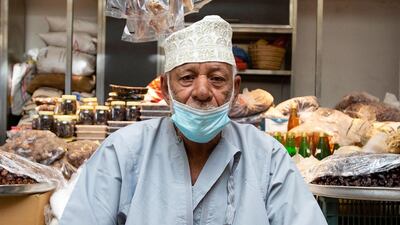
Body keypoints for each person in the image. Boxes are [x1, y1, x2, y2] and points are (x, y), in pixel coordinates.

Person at [59, 15, 327, 225]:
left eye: (217, 78)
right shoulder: (122, 152)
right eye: (187, 77)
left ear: (235, 89)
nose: (201, 92)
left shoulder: (267, 158)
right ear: (165, 89)